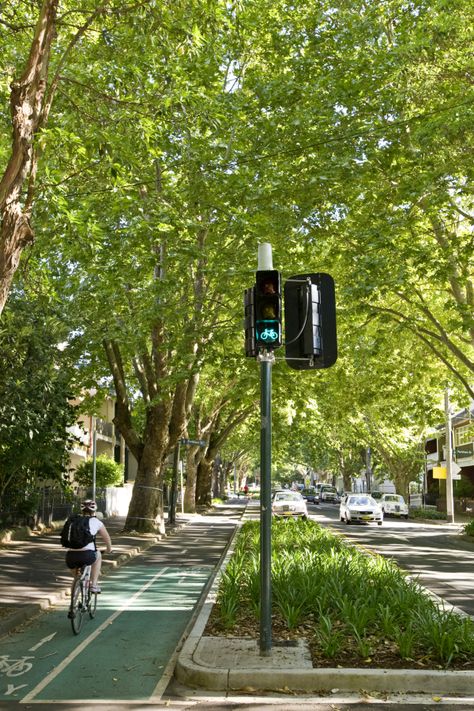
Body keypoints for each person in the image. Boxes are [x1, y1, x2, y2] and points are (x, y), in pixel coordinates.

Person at [65, 500, 112, 593]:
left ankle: (73, 600)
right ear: (94, 511)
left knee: (76, 578)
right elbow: (107, 538)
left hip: (70, 556)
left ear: (81, 510)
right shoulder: (96, 522)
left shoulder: (73, 521)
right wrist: (108, 549)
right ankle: (94, 585)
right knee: (98, 555)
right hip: (87, 555)